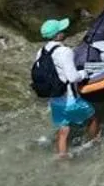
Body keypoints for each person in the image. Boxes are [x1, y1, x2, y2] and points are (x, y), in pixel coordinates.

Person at [34, 18, 98, 157]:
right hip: (70, 99)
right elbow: (72, 77)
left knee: (63, 130)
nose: (64, 31)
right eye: (62, 30)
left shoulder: (41, 52)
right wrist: (84, 73)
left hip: (54, 100)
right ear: (58, 35)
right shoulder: (65, 51)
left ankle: (61, 159)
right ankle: (94, 144)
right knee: (93, 118)